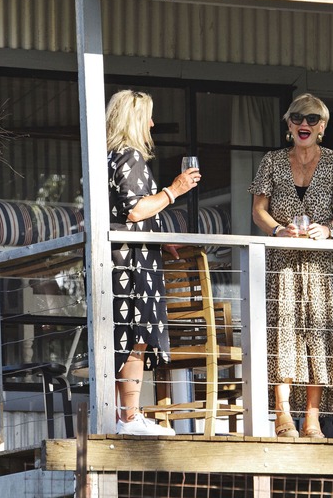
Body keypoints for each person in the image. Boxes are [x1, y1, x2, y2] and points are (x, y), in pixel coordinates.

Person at [250, 93, 333, 438]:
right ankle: (282, 413)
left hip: (324, 262)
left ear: (323, 126)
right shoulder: (272, 161)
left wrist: (329, 228)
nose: (305, 124)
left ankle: (312, 418)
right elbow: (258, 210)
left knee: (319, 336)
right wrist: (278, 229)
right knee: (282, 332)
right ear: (288, 125)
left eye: (313, 119)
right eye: (298, 118)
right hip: (283, 261)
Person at [106, 89, 202, 436]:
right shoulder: (129, 157)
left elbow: (126, 212)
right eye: (147, 116)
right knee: (135, 336)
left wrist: (160, 240)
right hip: (129, 264)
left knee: (124, 336)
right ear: (134, 120)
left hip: (124, 260)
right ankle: (129, 418)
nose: (152, 122)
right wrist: (175, 190)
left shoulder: (110, 157)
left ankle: (122, 416)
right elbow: (134, 210)